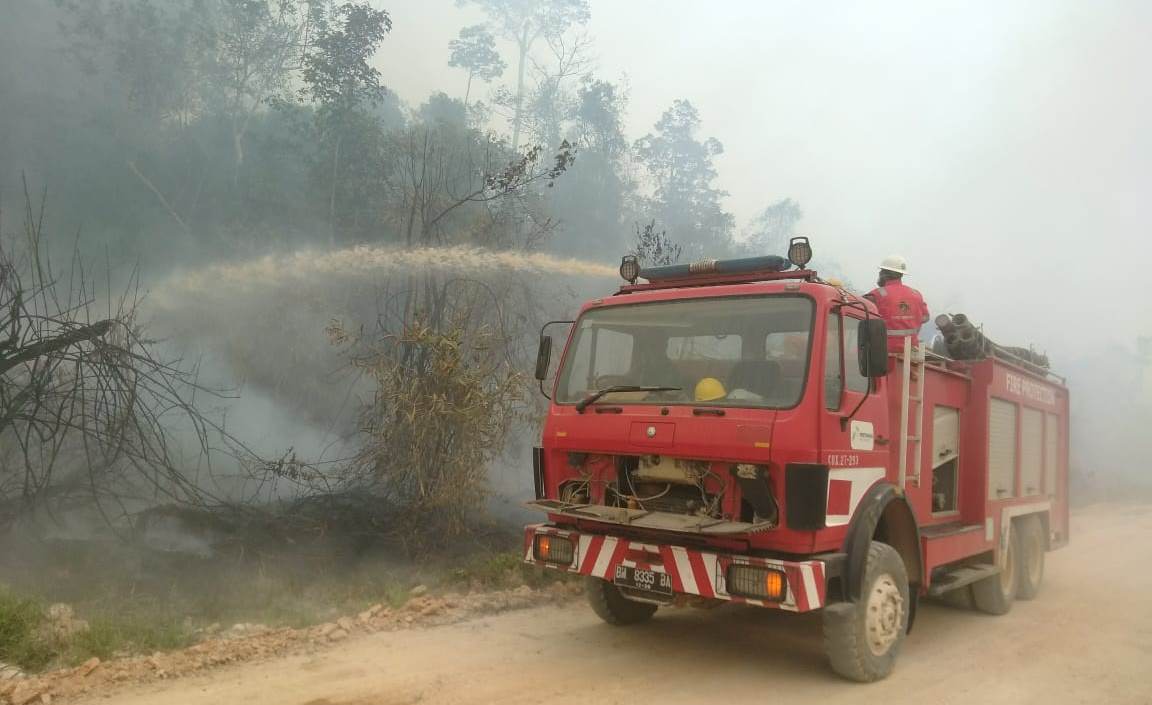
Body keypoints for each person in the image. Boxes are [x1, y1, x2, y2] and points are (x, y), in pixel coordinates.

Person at [865, 255, 929, 353]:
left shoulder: (877, 294)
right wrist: (910, 317)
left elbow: (858, 312)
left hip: (884, 350)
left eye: (881, 271)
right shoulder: (916, 294)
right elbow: (925, 318)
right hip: (911, 350)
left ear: (884, 274)